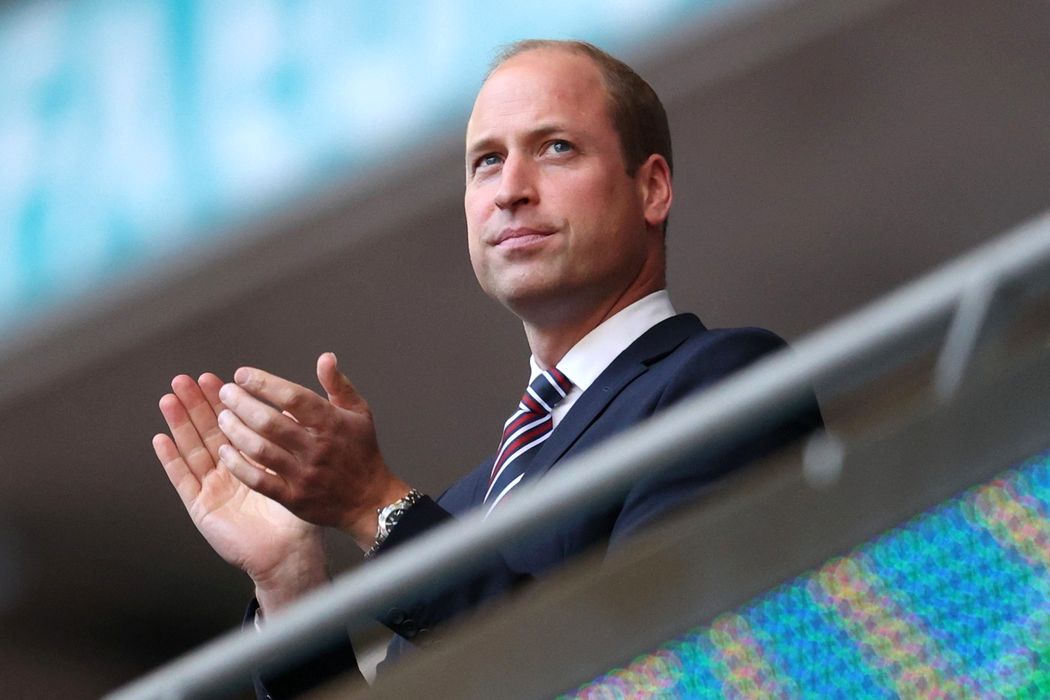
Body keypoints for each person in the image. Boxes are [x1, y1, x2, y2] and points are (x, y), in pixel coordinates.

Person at [153, 40, 821, 696]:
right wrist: (291, 584)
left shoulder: (723, 379)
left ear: (651, 188)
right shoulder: (458, 509)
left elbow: (647, 670)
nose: (510, 191)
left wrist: (373, 506)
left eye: (555, 147)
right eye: (487, 161)